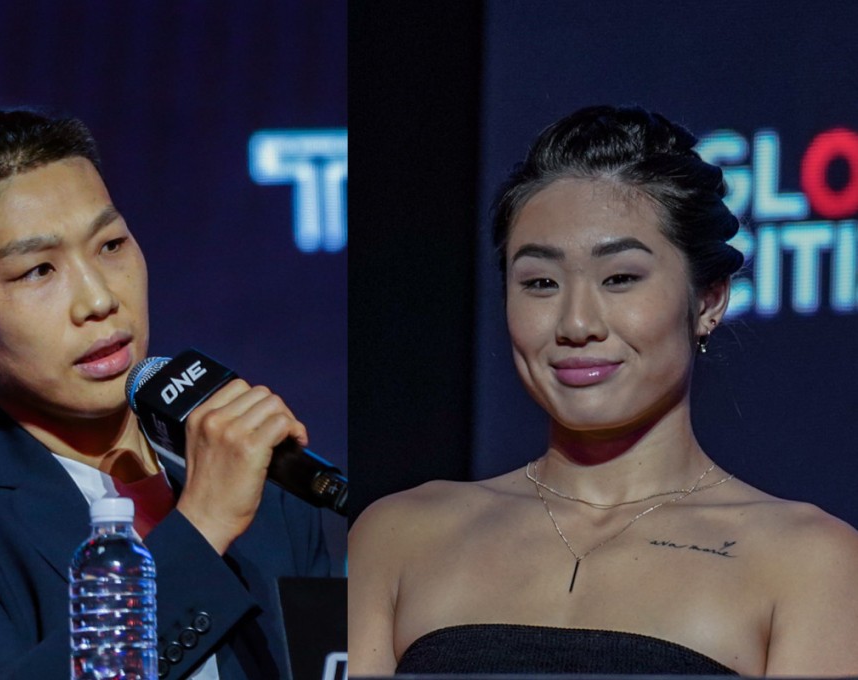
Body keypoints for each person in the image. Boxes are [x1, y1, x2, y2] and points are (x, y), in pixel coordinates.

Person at [347, 105, 858, 676]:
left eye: (620, 279)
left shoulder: (809, 561)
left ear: (709, 301)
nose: (575, 323)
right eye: (540, 283)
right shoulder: (399, 536)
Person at [0, 108, 331, 679]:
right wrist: (201, 528)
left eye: (111, 245)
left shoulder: (253, 466)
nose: (98, 299)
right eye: (38, 271)